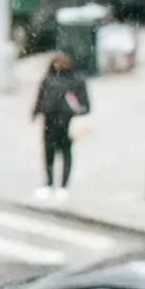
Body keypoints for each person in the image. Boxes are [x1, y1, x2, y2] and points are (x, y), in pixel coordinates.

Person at [32, 52, 90, 201]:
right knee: (53, 153)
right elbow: (40, 98)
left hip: (64, 121)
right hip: (54, 120)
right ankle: (52, 183)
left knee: (61, 152)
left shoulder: (66, 81)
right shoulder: (54, 80)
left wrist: (38, 111)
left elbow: (85, 104)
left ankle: (60, 185)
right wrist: (37, 111)